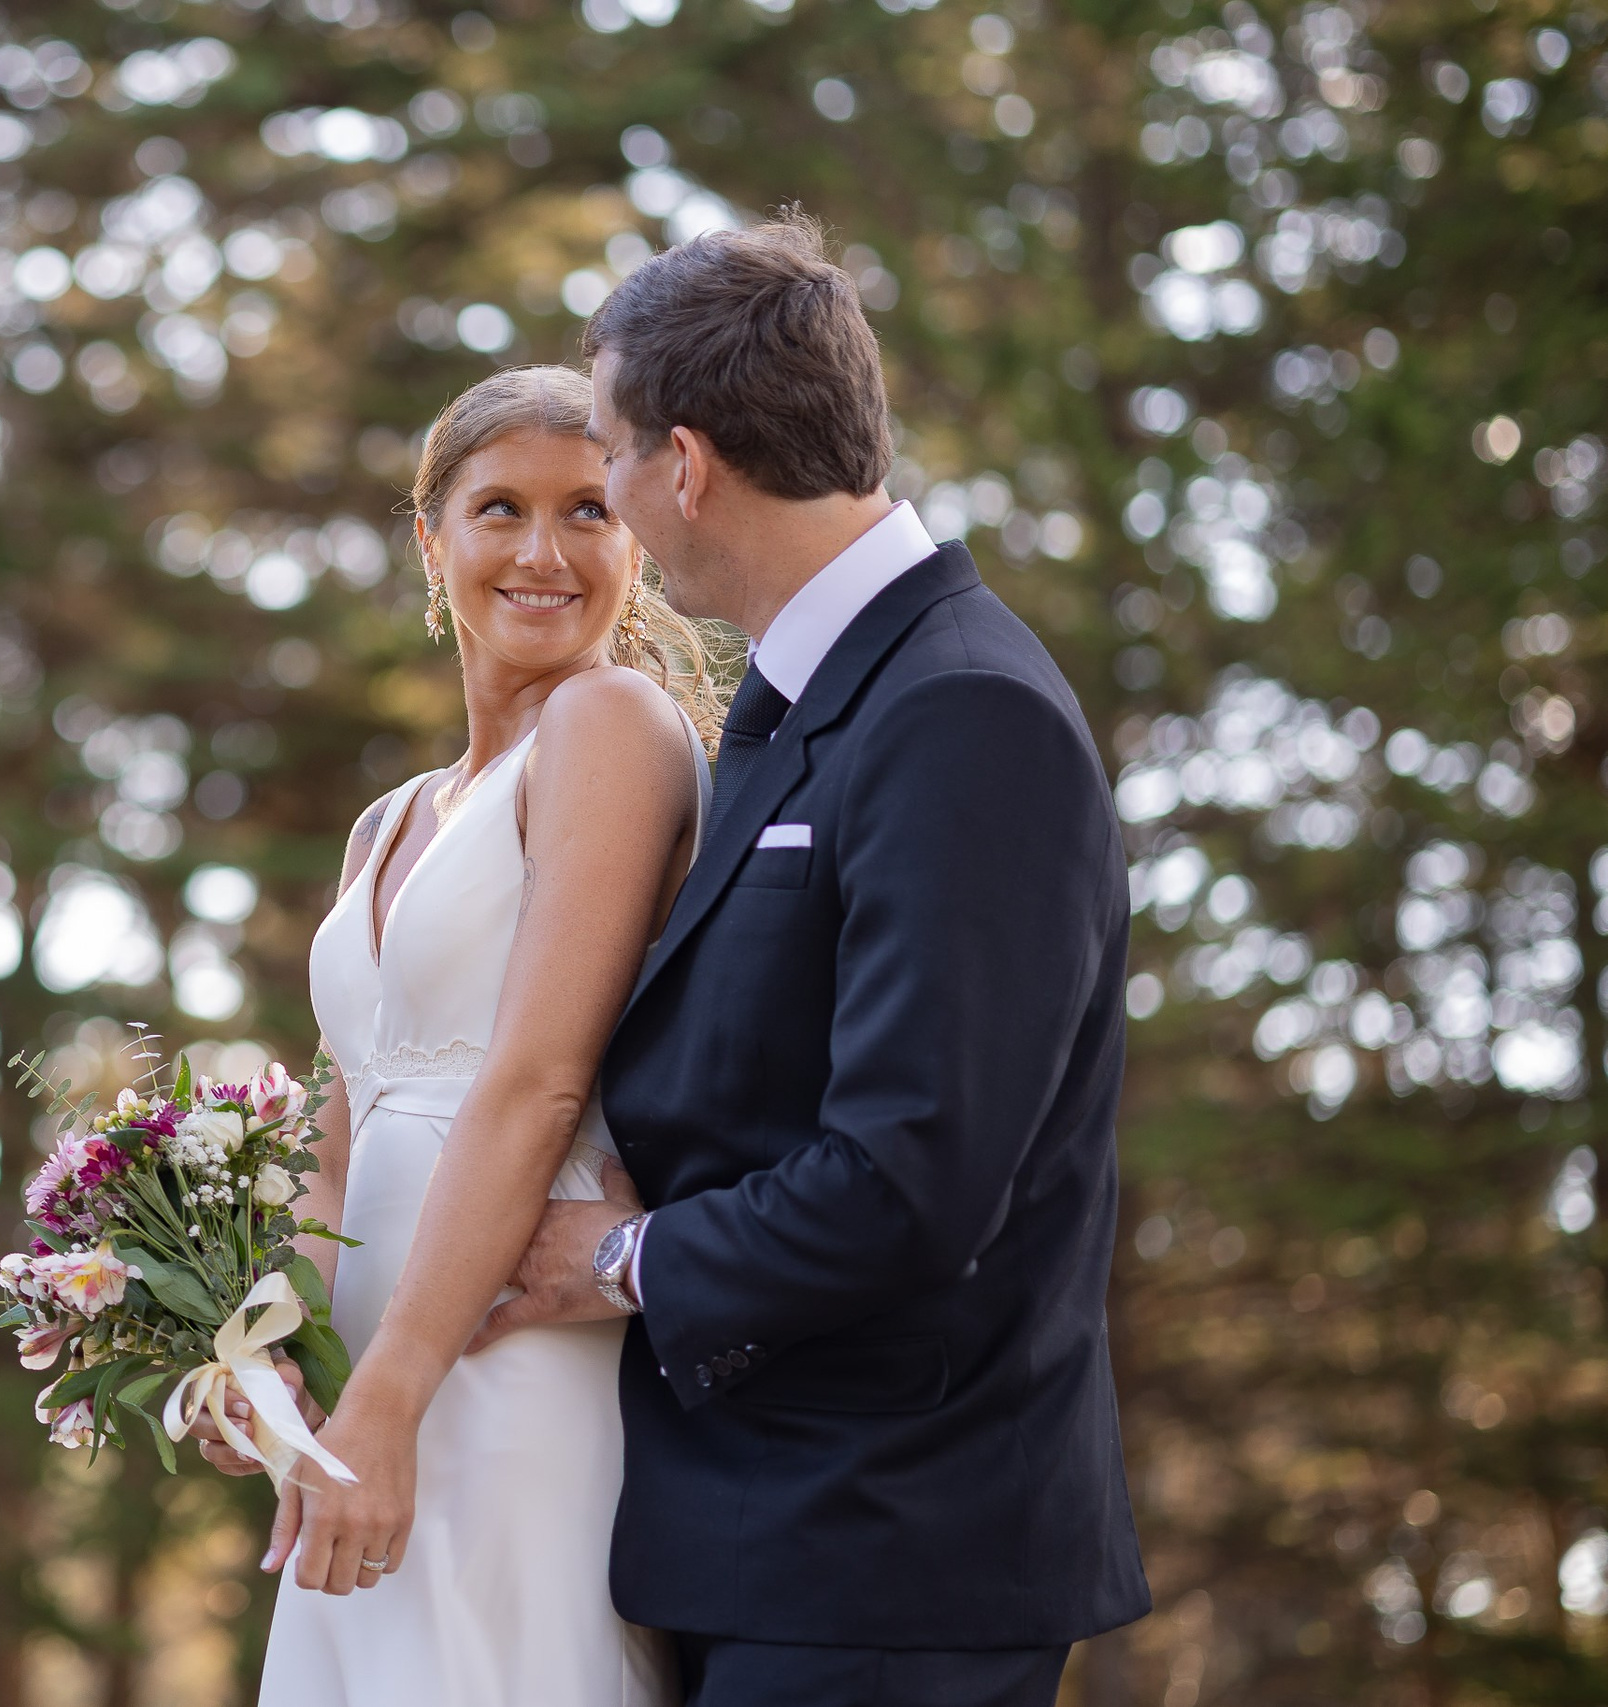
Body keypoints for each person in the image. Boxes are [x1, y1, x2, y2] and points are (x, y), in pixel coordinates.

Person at [479, 214, 1152, 1705]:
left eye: (609, 456)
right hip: (763, 1538)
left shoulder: (964, 714)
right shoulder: (809, 704)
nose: (610, 499)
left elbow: (914, 1177)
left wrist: (625, 1260)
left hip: (892, 1557)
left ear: (689, 466)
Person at [201, 363, 718, 1705]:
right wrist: (262, 1360)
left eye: (590, 512)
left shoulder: (611, 725)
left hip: (501, 1359)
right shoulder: (390, 822)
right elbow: (333, 1149)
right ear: (432, 543)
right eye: (500, 510)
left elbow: (541, 1083)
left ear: (637, 540)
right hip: (370, 1377)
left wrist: (393, 1399)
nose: (544, 553)